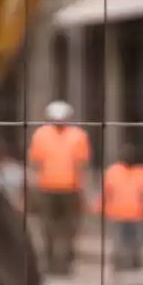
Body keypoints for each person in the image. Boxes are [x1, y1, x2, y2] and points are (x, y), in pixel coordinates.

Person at [28, 99, 90, 275]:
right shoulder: (40, 135)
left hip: (70, 188)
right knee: (47, 227)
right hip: (46, 188)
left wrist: (82, 187)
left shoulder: (78, 136)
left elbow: (81, 164)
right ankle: (49, 262)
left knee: (69, 228)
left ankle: (66, 263)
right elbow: (35, 163)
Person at [102, 143, 143, 271]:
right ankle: (119, 264)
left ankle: (136, 263)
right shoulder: (112, 172)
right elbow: (107, 193)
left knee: (137, 243)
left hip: (138, 215)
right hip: (118, 215)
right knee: (119, 243)